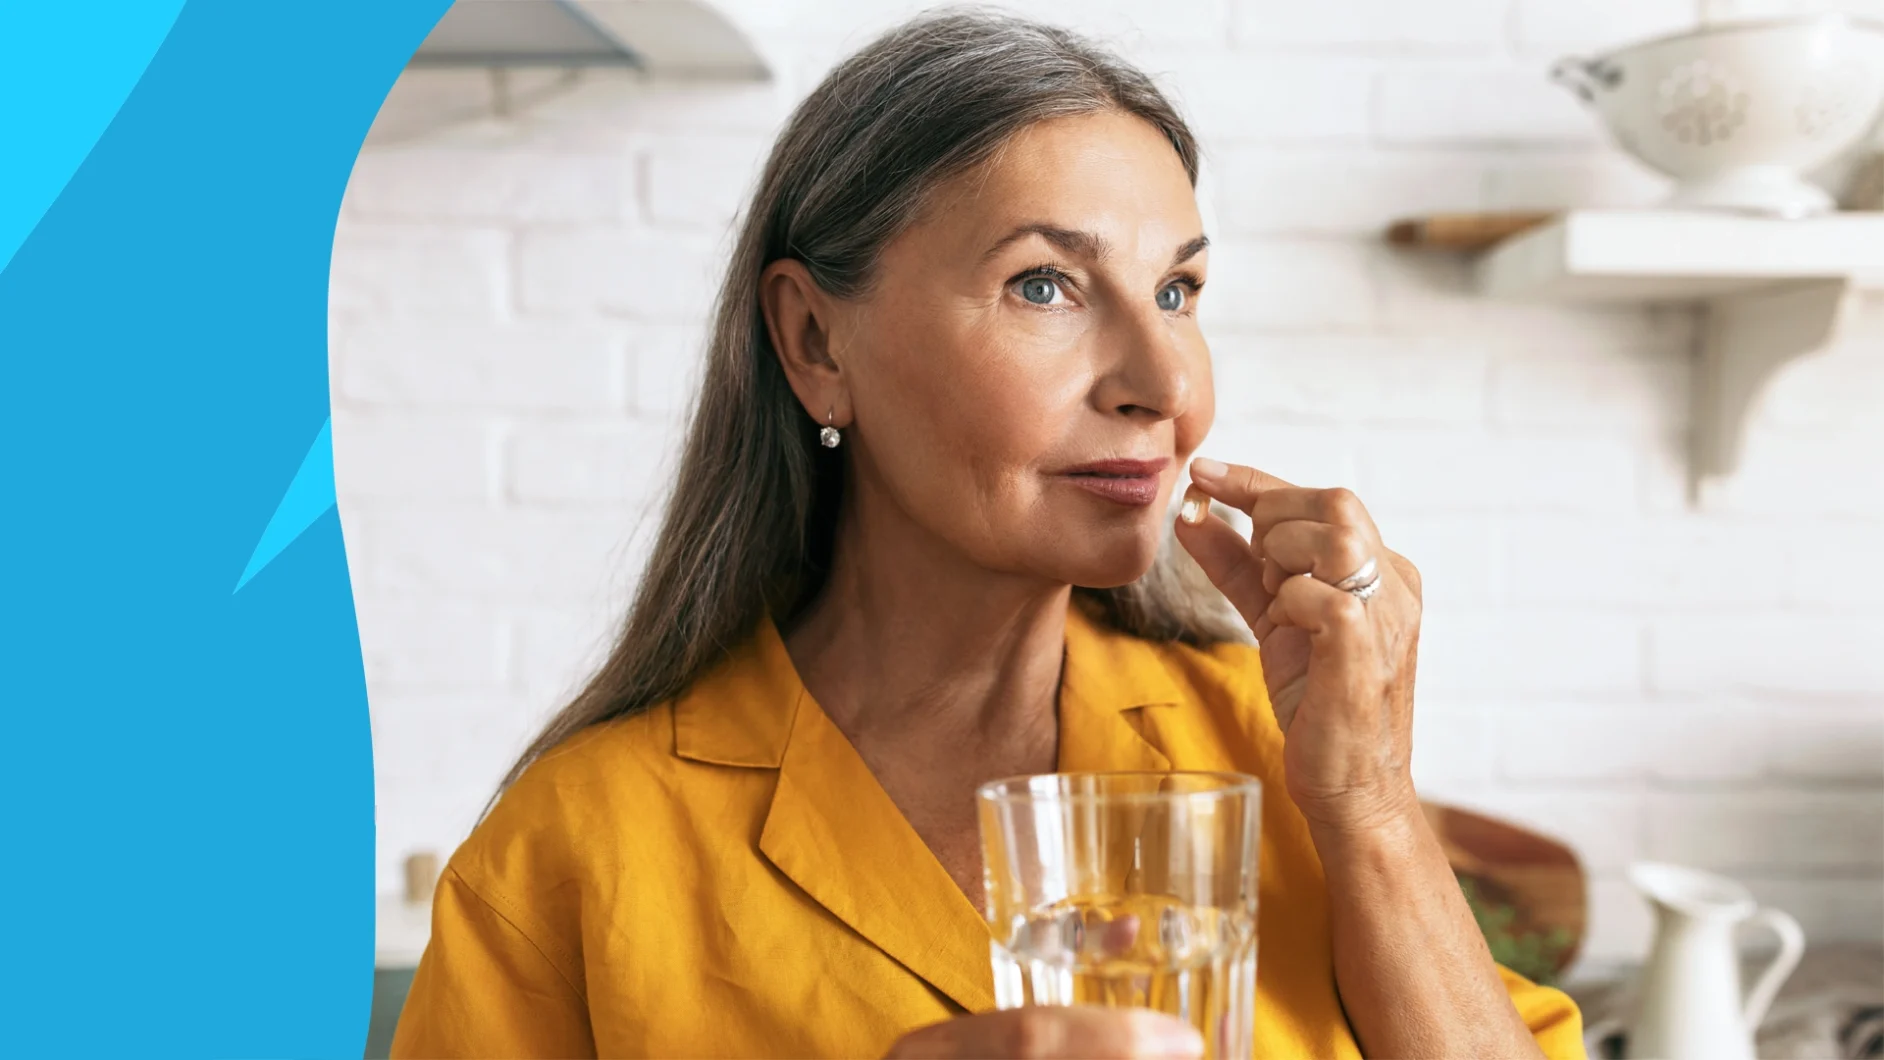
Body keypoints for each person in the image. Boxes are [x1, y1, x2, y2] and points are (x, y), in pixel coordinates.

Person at [390, 10, 1585, 1058]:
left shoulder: (1281, 754)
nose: (1163, 379)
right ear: (815, 343)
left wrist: (1372, 806)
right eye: (1044, 285)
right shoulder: (573, 853)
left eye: (1178, 292)